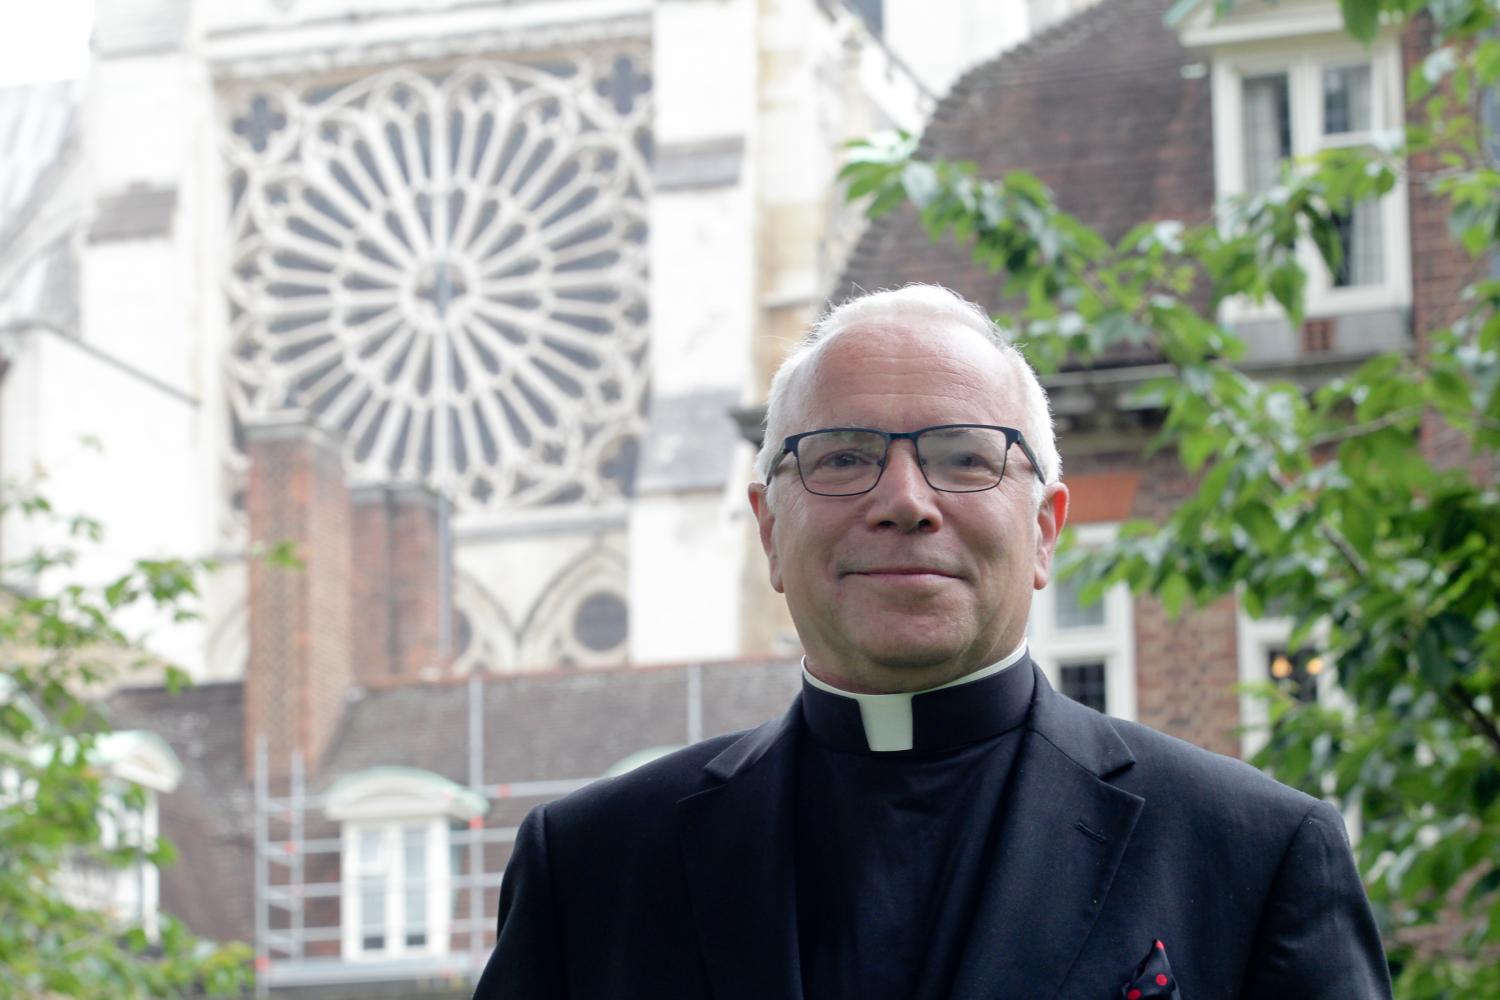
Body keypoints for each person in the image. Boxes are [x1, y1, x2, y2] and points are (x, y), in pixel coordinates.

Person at [472, 285, 1391, 1000]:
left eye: (963, 455)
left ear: (1044, 531)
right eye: (840, 456)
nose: (905, 500)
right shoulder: (593, 867)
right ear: (767, 530)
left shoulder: (1254, 854)